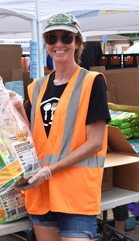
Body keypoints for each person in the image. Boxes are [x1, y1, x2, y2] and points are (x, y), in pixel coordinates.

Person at [15, 13, 110, 241]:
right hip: (40, 192)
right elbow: (30, 135)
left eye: (66, 38)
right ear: (46, 44)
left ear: (77, 43)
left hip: (74, 193)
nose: (59, 44)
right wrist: (17, 108)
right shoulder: (36, 87)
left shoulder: (91, 82)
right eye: (51, 38)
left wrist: (49, 171)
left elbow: (95, 142)